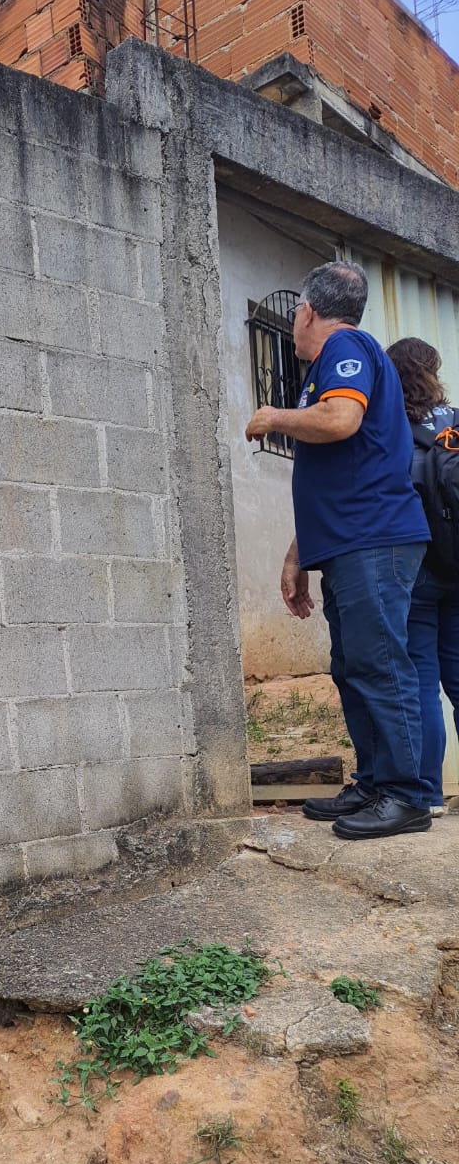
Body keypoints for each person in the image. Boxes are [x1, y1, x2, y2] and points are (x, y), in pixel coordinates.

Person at [245, 261, 433, 839]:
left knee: (380, 664)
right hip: (350, 540)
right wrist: (298, 554)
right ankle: (376, 784)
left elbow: (341, 419)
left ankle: (406, 795)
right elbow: (338, 473)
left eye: (294, 318)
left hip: (374, 539)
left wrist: (273, 417)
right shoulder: (336, 362)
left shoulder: (345, 346)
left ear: (306, 311)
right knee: (354, 667)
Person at [387, 336, 459, 814]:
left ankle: (429, 793)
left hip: (417, 572)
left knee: (422, 685)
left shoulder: (390, 427)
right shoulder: (456, 423)